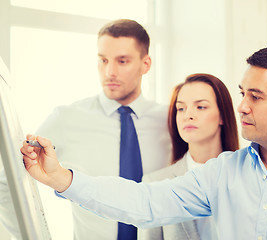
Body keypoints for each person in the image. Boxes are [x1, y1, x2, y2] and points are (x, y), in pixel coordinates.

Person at [21, 45, 267, 239]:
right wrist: (61, 178)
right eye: (242, 94)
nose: (242, 105)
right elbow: (144, 201)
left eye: (256, 96)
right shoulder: (221, 173)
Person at [1, 19, 171, 240]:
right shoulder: (67, 118)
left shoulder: (171, 120)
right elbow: (8, 183)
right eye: (103, 60)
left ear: (146, 64)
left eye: (122, 61)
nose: (110, 72)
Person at [138, 73, 239, 240]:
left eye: (201, 107)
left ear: (222, 115)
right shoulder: (156, 184)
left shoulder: (248, 176)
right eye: (181, 108)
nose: (188, 115)